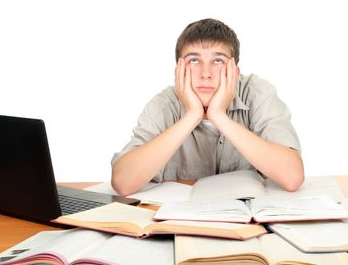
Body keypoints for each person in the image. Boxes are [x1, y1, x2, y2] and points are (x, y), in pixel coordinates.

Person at [111, 18, 304, 196]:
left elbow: (292, 177)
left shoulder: (257, 93)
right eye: (194, 61)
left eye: (218, 61)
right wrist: (192, 115)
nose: (206, 73)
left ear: (235, 71)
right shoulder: (164, 105)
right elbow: (122, 183)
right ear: (179, 71)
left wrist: (218, 116)